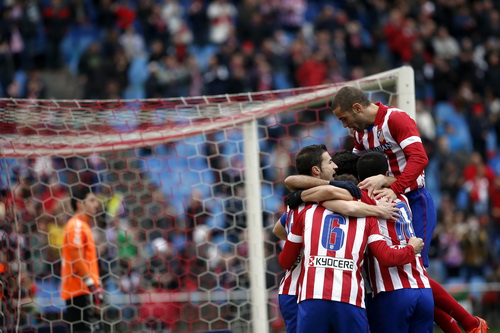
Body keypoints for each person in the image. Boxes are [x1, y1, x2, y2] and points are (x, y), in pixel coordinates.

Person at [330, 86, 488, 332]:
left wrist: (395, 187)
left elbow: (419, 158)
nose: (343, 125)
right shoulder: (361, 134)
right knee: (409, 277)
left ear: (357, 108)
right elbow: (353, 165)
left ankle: (469, 324)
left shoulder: (396, 118)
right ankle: (467, 325)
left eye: (344, 119)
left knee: (416, 272)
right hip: (386, 204)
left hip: (414, 200)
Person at [278, 144, 424, 333]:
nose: (334, 167)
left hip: (303, 293)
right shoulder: (366, 212)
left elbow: (280, 238)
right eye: (329, 162)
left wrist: (301, 247)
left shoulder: (301, 207)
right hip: (349, 296)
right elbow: (350, 209)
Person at [358, 151, 433, 332]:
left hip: (390, 293)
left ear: (360, 178)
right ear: (385, 174)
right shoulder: (403, 198)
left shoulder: (362, 202)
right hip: (423, 290)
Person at [61, 185, 103, 333]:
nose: (96, 204)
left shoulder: (83, 225)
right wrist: (92, 285)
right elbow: (75, 256)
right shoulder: (76, 225)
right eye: (91, 200)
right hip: (79, 290)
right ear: (80, 203)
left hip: (86, 289)